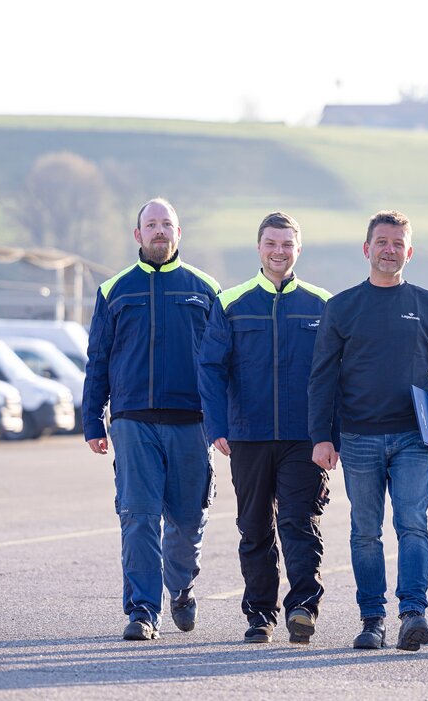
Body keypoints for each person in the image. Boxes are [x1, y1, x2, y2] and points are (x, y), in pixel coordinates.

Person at [308, 210, 428, 652]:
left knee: (413, 524)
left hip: (415, 438)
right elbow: (322, 377)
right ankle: (371, 619)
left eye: (398, 244)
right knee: (365, 531)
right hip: (358, 439)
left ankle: (413, 614)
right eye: (382, 242)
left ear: (408, 252)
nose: (389, 250)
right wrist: (322, 435)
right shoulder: (342, 307)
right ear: (367, 249)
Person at [82, 198, 221, 641]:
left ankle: (180, 587)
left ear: (178, 234)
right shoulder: (114, 290)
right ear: (137, 235)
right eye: (151, 224)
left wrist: (223, 422)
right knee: (138, 516)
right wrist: (92, 420)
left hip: (191, 422)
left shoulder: (206, 288)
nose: (159, 231)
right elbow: (98, 359)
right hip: (132, 420)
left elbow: (222, 364)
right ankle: (143, 610)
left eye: (167, 224)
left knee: (187, 520)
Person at [198, 212, 332, 645]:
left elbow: (337, 373)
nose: (279, 252)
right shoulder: (232, 303)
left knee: (299, 521)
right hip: (248, 435)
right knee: (254, 527)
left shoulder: (321, 304)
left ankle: (302, 609)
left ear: (298, 249)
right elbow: (211, 368)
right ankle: (260, 615)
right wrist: (217, 425)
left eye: (287, 244)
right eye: (271, 244)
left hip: (304, 437)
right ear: (259, 248)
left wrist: (333, 432)